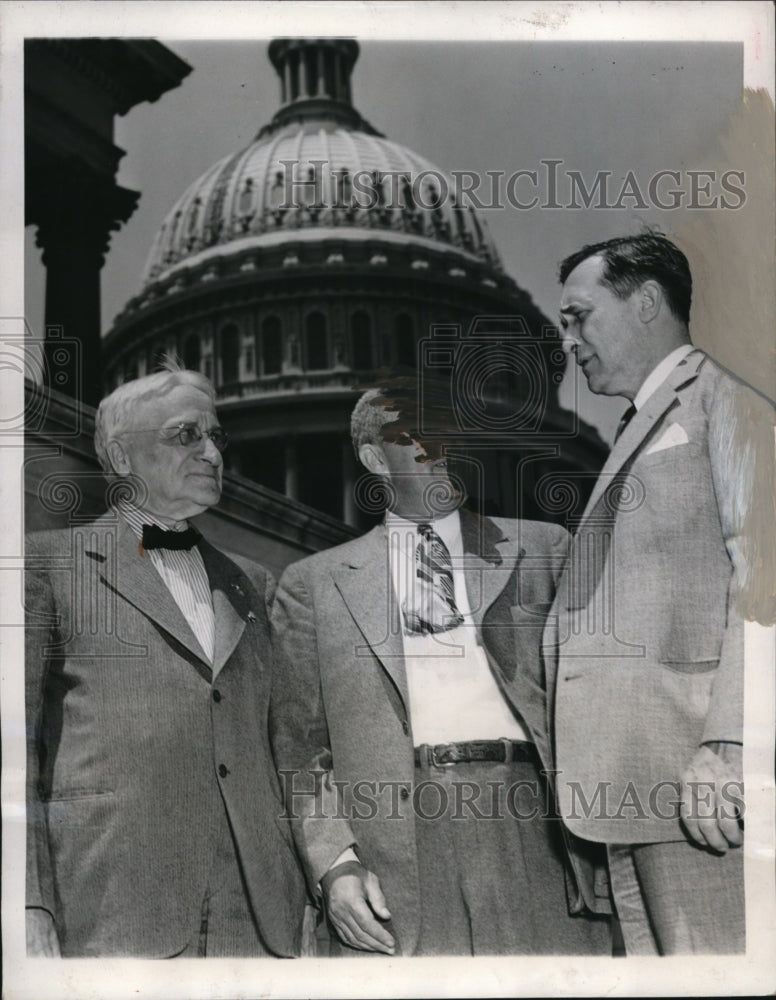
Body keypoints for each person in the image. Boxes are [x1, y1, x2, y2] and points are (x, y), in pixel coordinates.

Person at [270, 383, 611, 957]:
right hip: (395, 842)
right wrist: (335, 863)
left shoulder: (546, 549)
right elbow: (298, 749)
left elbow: (601, 700)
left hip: (535, 828)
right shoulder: (314, 585)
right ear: (375, 458)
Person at [25, 361, 307, 957]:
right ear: (124, 459)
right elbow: (11, 752)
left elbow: (293, 750)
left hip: (257, 922)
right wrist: (27, 900)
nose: (212, 452)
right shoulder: (44, 565)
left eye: (216, 437)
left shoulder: (253, 584)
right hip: (109, 907)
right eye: (187, 434)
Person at [549, 232, 775, 954]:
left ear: (646, 302)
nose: (568, 339)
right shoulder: (640, 426)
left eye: (579, 315)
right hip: (633, 791)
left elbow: (765, 580)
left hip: (698, 785)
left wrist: (730, 743)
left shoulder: (724, 400)